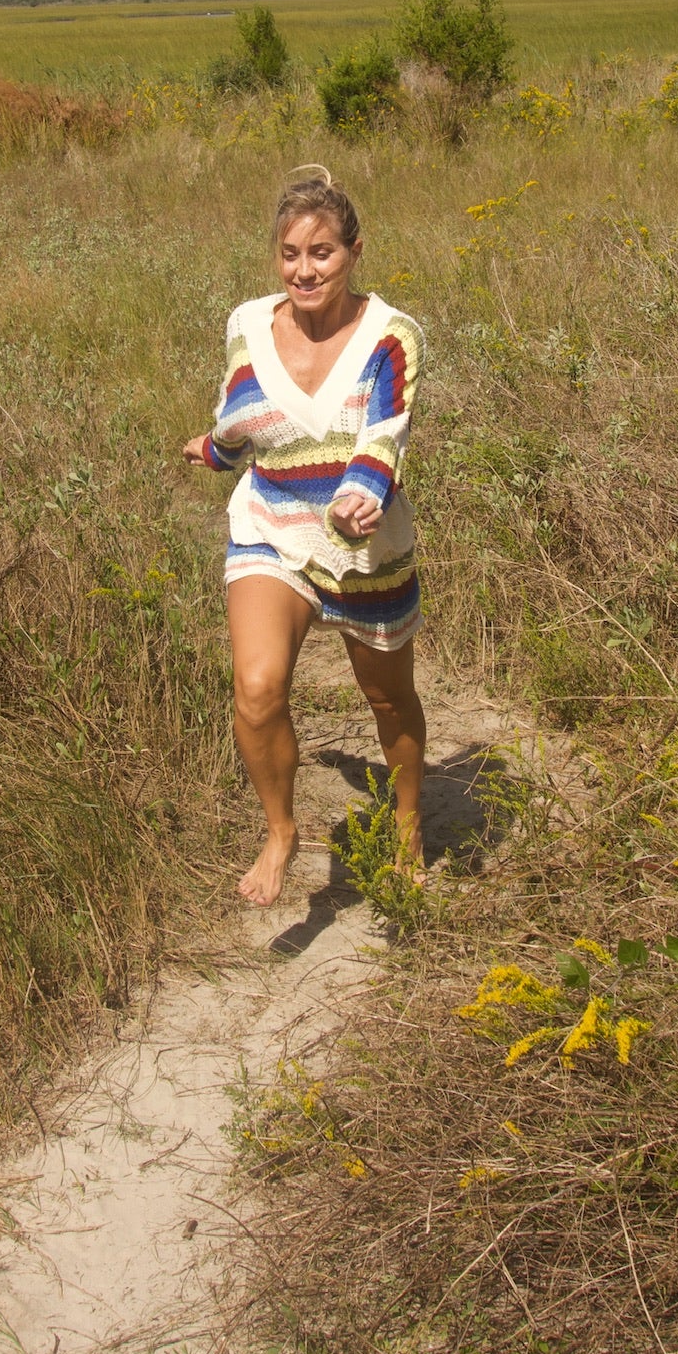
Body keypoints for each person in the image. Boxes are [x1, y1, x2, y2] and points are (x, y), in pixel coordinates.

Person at [183, 166, 427, 908]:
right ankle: (281, 831)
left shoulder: (392, 336)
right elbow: (240, 414)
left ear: (354, 251)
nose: (304, 270)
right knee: (257, 688)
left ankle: (409, 828)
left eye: (321, 252)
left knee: (388, 700)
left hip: (363, 547)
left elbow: (384, 432)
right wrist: (214, 452)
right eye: (290, 254)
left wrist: (360, 496)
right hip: (272, 525)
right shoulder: (247, 325)